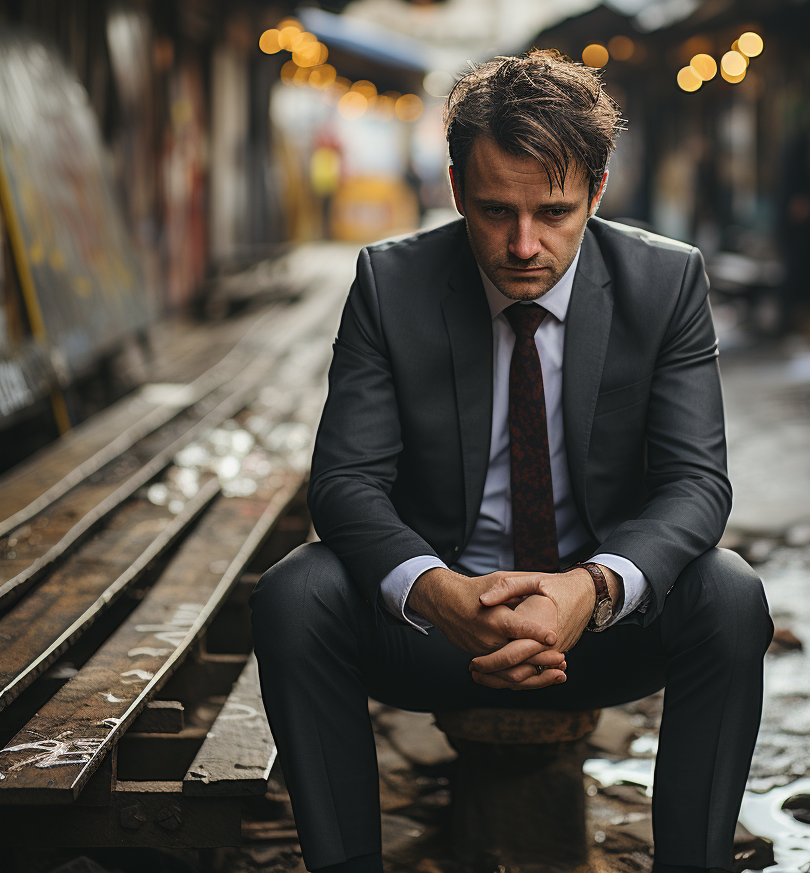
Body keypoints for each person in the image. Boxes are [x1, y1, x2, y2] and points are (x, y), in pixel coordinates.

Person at [250, 50, 773, 873]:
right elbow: (345, 483)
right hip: (440, 627)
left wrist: (592, 589)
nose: (524, 244)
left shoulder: (665, 283)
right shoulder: (392, 285)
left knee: (732, 594)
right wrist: (440, 593)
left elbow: (696, 485)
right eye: (495, 211)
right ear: (456, 189)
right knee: (294, 594)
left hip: (598, 633)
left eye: (555, 212)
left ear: (597, 193)